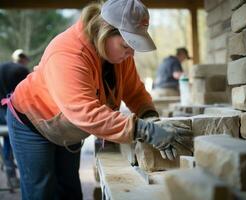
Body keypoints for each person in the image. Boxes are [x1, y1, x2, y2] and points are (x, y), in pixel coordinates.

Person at [4, 0, 193, 199]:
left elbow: (134, 91)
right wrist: (144, 130)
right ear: (105, 30)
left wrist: (150, 117)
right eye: (126, 44)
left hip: (66, 126)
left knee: (69, 190)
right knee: (42, 191)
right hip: (32, 121)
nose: (131, 52)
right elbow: (85, 112)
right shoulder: (68, 52)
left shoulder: (120, 56)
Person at [0, 49, 30, 189]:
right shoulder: (21, 71)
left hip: (2, 110)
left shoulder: (3, 67)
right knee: (14, 137)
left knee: (7, 138)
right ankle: (17, 173)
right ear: (22, 60)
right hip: (10, 111)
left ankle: (9, 168)